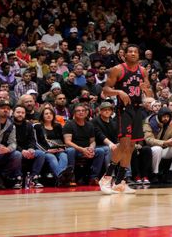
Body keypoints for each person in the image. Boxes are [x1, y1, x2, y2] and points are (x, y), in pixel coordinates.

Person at [98, 45, 153, 194]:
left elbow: (149, 93)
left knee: (131, 147)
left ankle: (120, 182)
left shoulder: (143, 71)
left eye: (136, 51)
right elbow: (105, 89)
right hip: (124, 110)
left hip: (137, 110)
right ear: (124, 55)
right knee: (123, 145)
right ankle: (106, 177)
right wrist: (119, 92)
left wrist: (147, 92)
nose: (133, 53)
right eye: (130, 52)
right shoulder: (118, 69)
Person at [63, 103, 106, 184]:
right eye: (78, 111)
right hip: (76, 150)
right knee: (70, 150)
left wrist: (91, 148)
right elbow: (67, 142)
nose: (81, 112)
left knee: (100, 151)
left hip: (86, 149)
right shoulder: (69, 124)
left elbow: (92, 141)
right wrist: (82, 149)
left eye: (83, 111)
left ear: (86, 113)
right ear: (74, 113)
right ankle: (71, 177)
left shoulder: (90, 125)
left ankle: (93, 178)